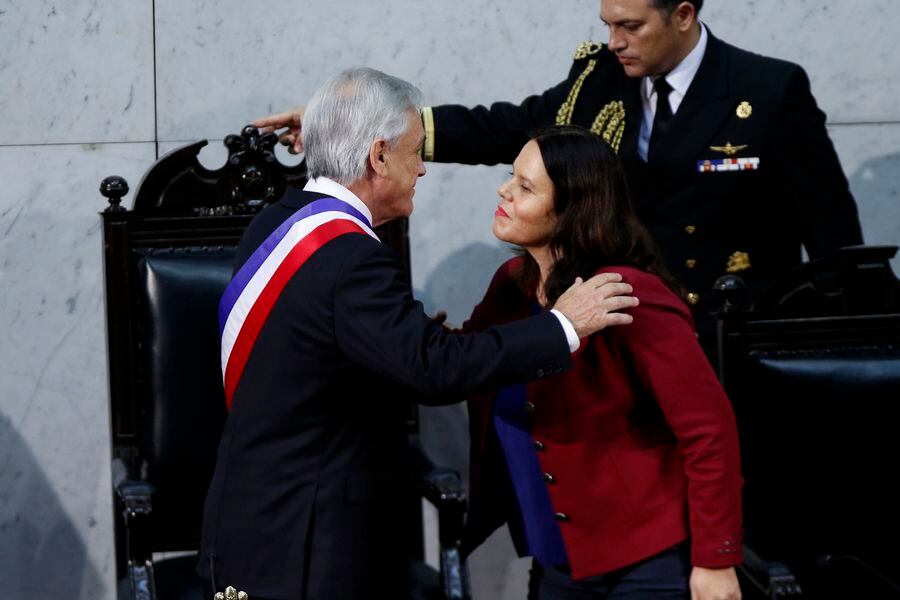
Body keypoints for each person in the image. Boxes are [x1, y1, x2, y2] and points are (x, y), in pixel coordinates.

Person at [198, 68, 638, 600]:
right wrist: (564, 325)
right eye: (414, 152)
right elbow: (436, 370)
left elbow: (311, 358)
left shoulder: (276, 222)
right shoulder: (350, 258)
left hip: (250, 523)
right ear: (378, 156)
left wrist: (393, 342)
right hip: (307, 547)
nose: (423, 170)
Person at [257, 0, 863, 354]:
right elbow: (512, 127)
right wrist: (358, 126)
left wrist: (850, 346)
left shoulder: (768, 90)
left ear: (682, 14)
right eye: (607, 24)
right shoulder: (601, 75)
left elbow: (833, 232)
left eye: (631, 26)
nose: (614, 40)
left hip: (727, 333)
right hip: (625, 320)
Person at [460, 126, 743, 600]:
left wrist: (716, 560)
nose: (504, 190)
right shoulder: (511, 283)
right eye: (512, 177)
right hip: (557, 561)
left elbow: (708, 430)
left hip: (647, 566)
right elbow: (466, 361)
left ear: (573, 207)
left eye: (525, 187)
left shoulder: (630, 292)